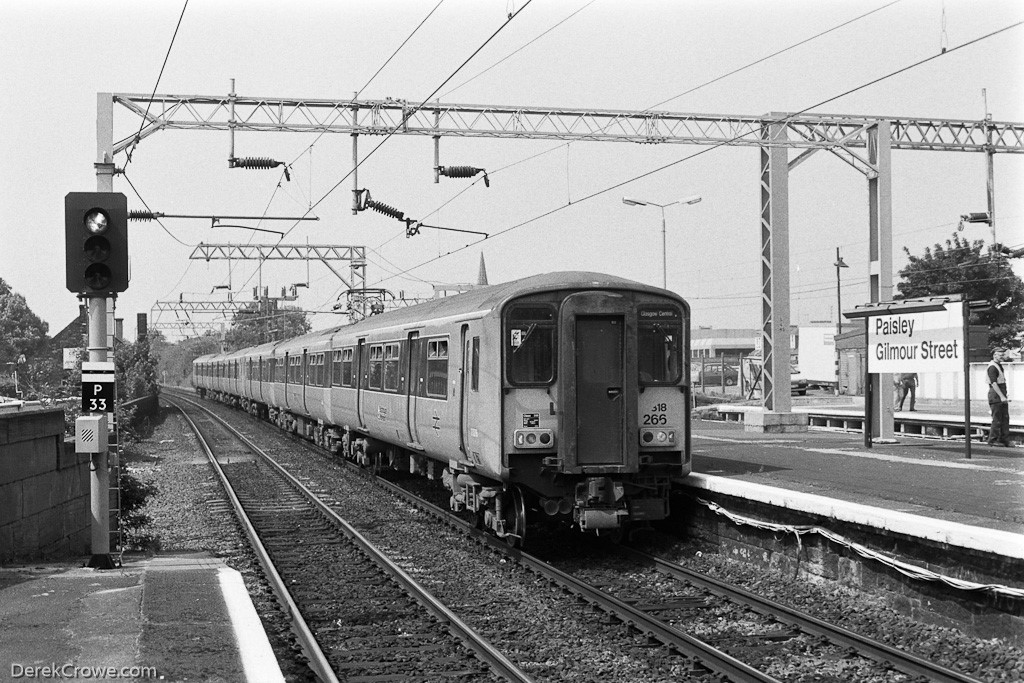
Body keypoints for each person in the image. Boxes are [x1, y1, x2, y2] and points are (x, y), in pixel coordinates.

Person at [987, 349, 1011, 447]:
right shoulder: (992, 367)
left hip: (1001, 393)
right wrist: (1001, 396)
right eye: (1000, 355)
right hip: (996, 395)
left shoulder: (999, 366)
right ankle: (993, 440)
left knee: (1005, 418)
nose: (1002, 356)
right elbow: (994, 383)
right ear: (995, 355)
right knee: (997, 418)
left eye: (1003, 355)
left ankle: (1004, 440)